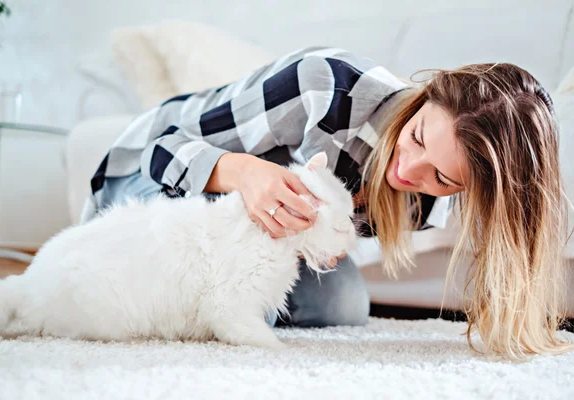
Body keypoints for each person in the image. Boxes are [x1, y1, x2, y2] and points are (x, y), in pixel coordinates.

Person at [80, 46, 572, 360]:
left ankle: (191, 287)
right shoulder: (324, 86)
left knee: (343, 300)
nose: (409, 173)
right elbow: (160, 148)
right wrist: (245, 174)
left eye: (442, 178)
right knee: (248, 310)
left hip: (241, 232)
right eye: (418, 137)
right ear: (425, 97)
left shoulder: (427, 205)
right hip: (146, 177)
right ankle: (126, 265)